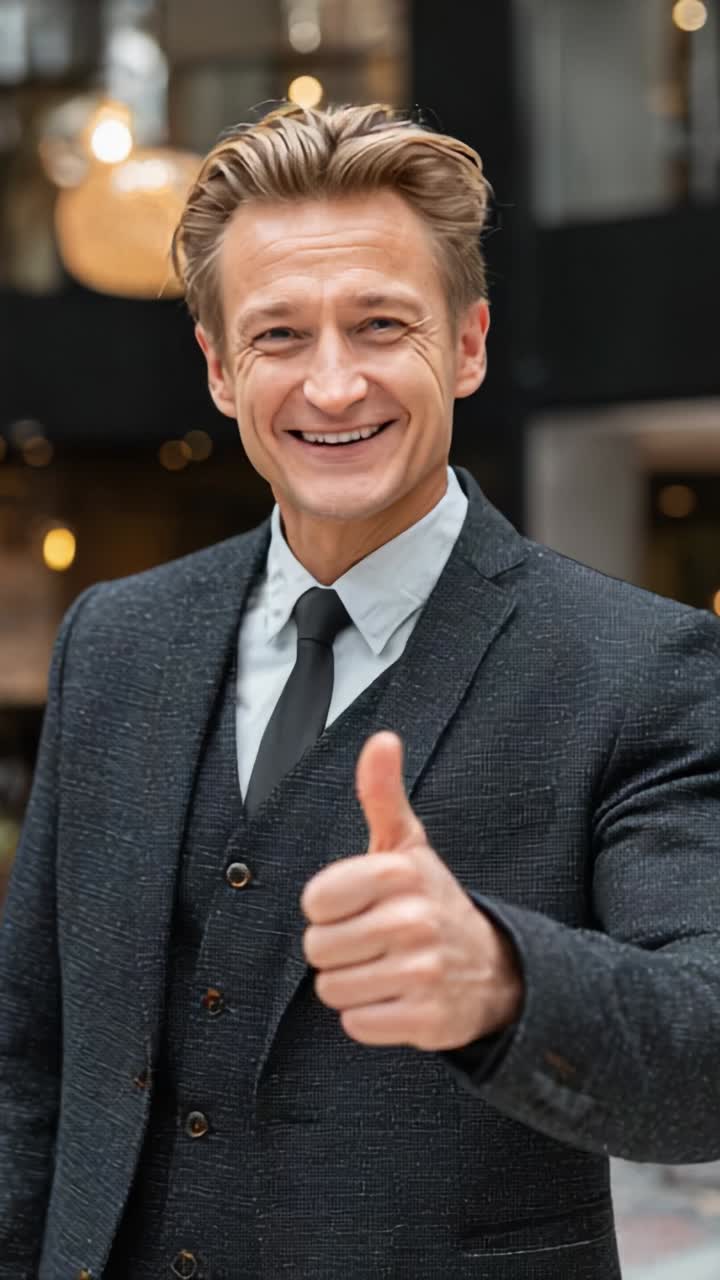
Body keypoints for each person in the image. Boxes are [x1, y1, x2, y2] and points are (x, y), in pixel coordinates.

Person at [1, 102, 720, 1280]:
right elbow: (29, 1052)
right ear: (223, 369)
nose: (332, 385)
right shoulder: (116, 640)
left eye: (381, 323)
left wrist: (502, 978)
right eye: (280, 334)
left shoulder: (640, 666)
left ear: (470, 343)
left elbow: (707, 1055)